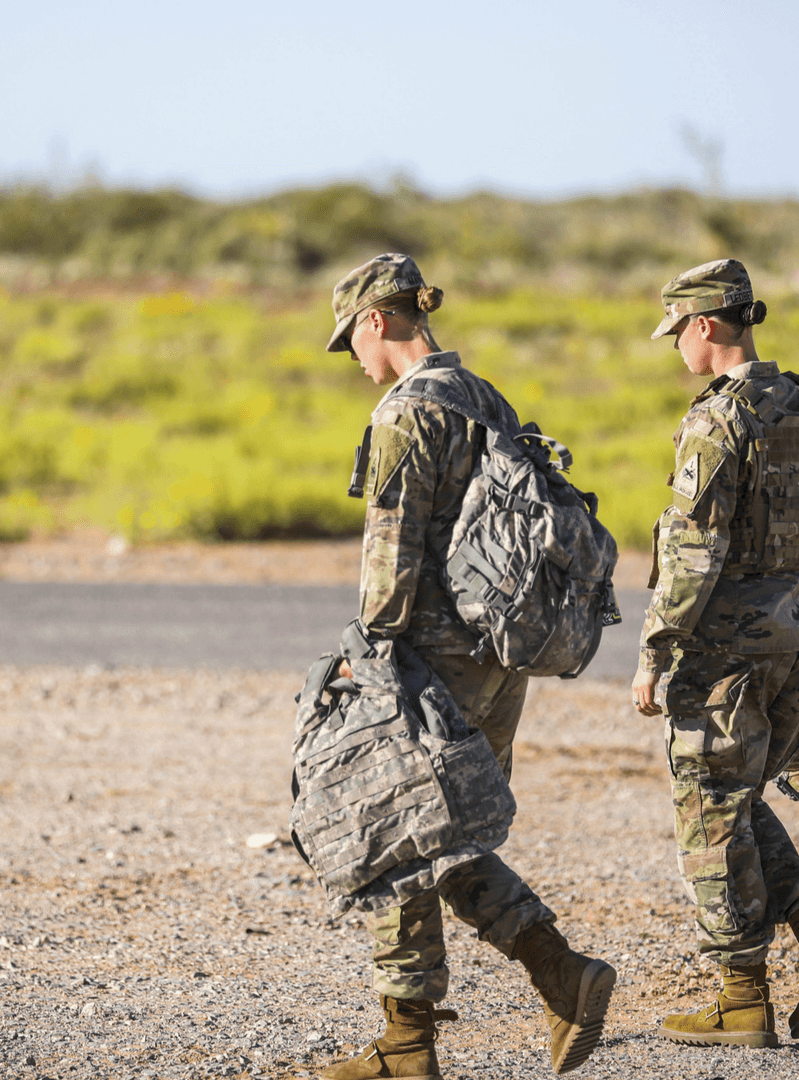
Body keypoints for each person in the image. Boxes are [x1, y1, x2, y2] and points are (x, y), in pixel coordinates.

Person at [317, 253, 615, 1079]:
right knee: (446, 833)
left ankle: (414, 1041)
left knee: (393, 825)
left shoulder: (403, 415)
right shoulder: (484, 397)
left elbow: (391, 557)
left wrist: (366, 658)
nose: (357, 361)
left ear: (377, 319)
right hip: (502, 652)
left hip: (432, 657)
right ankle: (556, 975)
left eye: (354, 342)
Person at [630, 259, 799, 1048]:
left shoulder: (716, 419)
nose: (676, 349)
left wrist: (655, 651)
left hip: (731, 649)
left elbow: (693, 550)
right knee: (735, 799)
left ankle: (744, 994)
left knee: (707, 806)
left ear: (705, 326)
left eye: (678, 333)